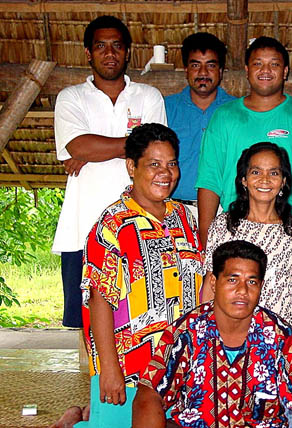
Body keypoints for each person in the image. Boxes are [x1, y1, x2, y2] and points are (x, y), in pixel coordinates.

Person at [51, 124, 203, 428]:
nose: (165, 173)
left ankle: (79, 417)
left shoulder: (185, 218)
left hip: (179, 364)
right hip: (130, 367)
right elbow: (99, 298)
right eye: (154, 164)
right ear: (132, 167)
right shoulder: (113, 224)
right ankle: (76, 420)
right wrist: (109, 368)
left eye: (171, 163)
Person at [132, 240, 292, 428]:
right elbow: (149, 392)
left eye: (251, 282)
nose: (242, 290)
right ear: (213, 282)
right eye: (232, 279)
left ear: (261, 286)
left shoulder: (281, 336)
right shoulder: (186, 332)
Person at [52, 15, 166, 329]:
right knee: (86, 325)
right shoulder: (71, 97)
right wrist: (132, 144)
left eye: (117, 45)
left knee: (141, 322)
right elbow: (78, 146)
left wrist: (93, 150)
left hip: (139, 229)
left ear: (127, 52)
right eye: (101, 46)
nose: (110, 53)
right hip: (83, 229)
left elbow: (156, 153)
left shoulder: (148, 96)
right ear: (88, 53)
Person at [196, 36, 292, 263]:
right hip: (236, 237)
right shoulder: (224, 117)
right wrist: (206, 237)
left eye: (274, 64)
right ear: (247, 70)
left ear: (285, 71)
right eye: (258, 63)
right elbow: (209, 181)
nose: (265, 70)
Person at [202, 142, 292, 341]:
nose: (265, 179)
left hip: (282, 339)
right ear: (244, 180)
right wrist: (203, 336)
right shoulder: (223, 225)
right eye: (256, 172)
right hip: (230, 338)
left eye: (274, 173)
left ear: (283, 181)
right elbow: (211, 285)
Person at [165, 32, 235, 207]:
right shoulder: (166, 108)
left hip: (224, 209)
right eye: (196, 65)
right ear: (186, 70)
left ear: (220, 71)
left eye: (210, 65)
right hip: (174, 208)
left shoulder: (237, 110)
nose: (203, 73)